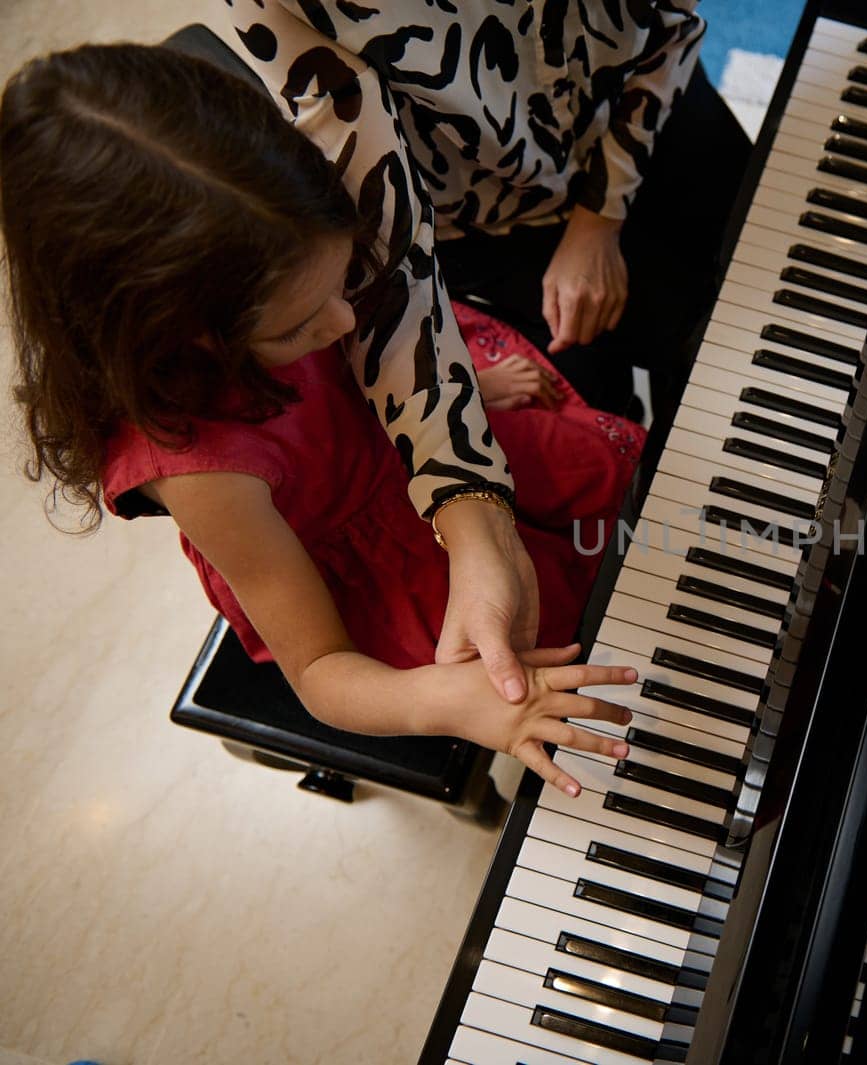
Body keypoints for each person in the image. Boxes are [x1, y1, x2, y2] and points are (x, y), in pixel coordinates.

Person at [1, 43, 646, 799]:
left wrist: (456, 384)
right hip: (388, 563)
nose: (344, 319)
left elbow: (380, 336)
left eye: (344, 281)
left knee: (628, 500)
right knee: (574, 627)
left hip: (421, 429)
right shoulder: (203, 470)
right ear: (177, 335)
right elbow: (319, 670)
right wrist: (452, 700)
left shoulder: (296, 226)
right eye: (301, 325)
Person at [210, 1, 752, 703]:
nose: (334, 322)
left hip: (648, 120)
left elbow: (671, 21)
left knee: (734, 358)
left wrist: (600, 216)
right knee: (602, 398)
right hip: (480, 229)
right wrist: (474, 519)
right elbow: (383, 254)